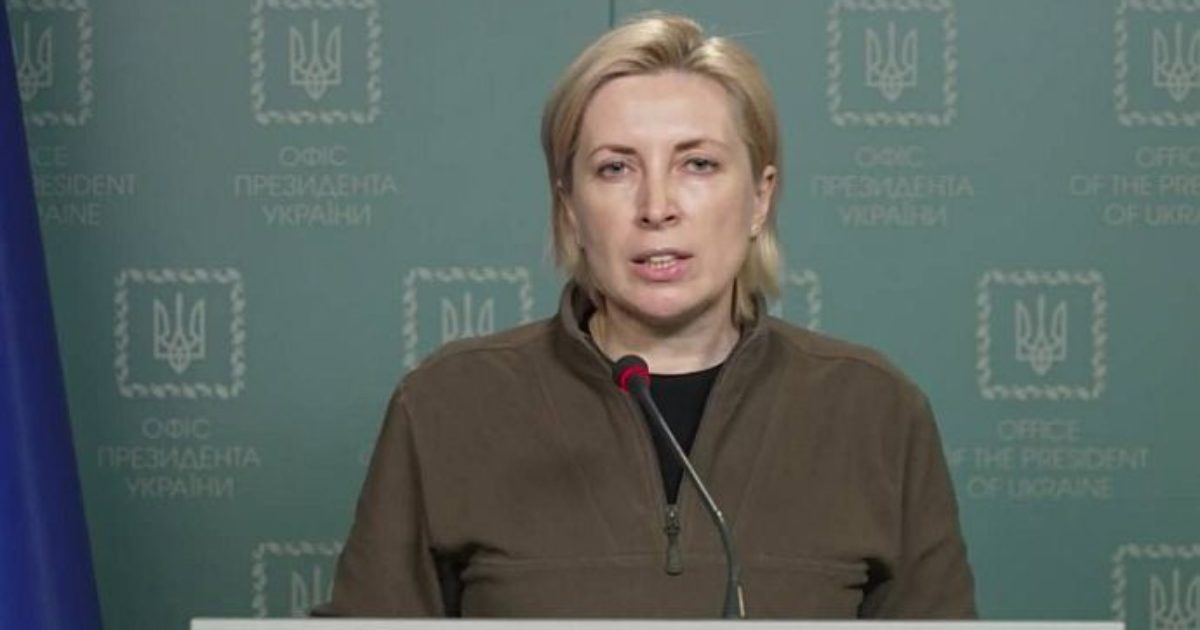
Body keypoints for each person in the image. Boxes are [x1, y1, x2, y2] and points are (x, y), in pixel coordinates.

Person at [321, 13, 975, 618]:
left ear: (759, 198)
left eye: (698, 164)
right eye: (615, 168)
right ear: (570, 207)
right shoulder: (448, 406)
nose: (656, 206)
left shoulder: (877, 412)